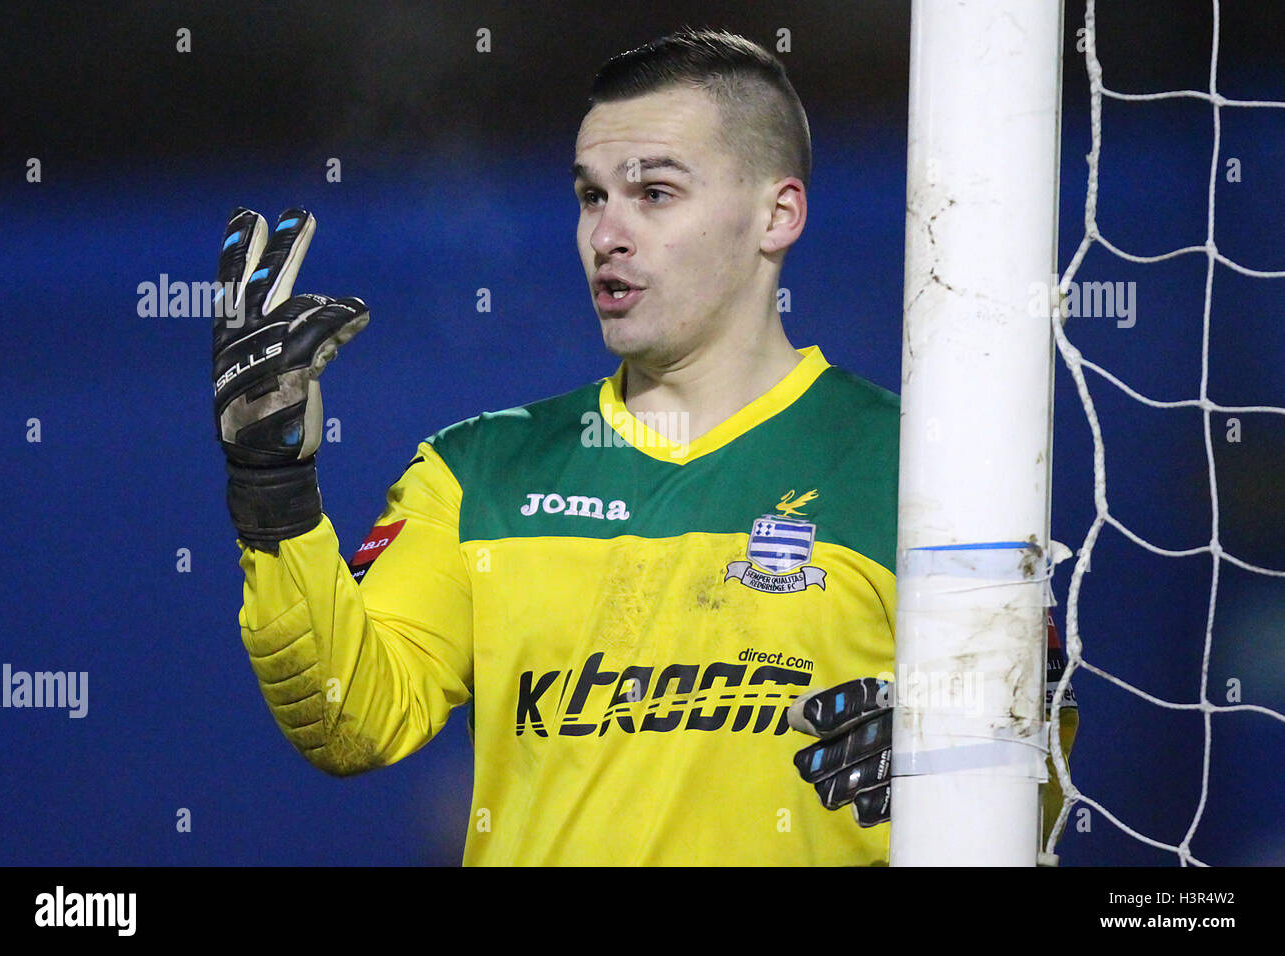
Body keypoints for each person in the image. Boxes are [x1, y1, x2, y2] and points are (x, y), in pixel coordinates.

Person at [211, 28, 1073, 866]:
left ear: (777, 214)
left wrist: (957, 762)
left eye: (653, 193)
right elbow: (350, 720)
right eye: (592, 196)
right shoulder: (476, 472)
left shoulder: (924, 466)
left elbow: (1038, 796)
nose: (605, 235)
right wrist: (270, 483)